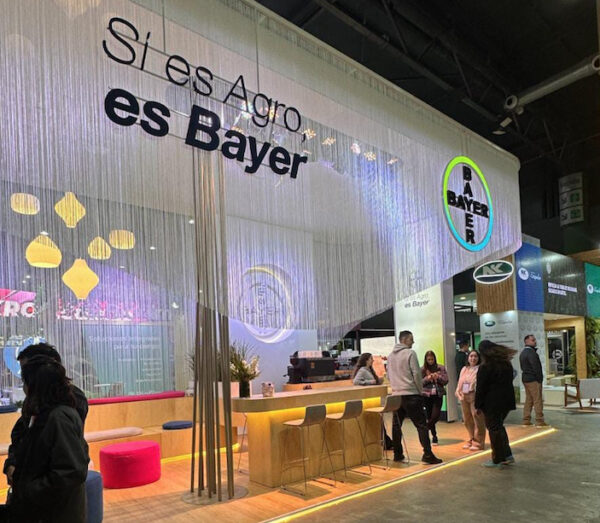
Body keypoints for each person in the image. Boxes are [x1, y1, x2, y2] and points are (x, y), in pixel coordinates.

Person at [1, 355, 89, 522]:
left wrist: (28, 489)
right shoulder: (40, 412)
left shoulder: (59, 418)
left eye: (25, 382)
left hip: (54, 514)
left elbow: (70, 471)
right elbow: (21, 444)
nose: (24, 388)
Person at [387, 331, 442, 465]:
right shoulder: (410, 353)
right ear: (405, 340)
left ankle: (397, 454)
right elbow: (416, 374)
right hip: (411, 394)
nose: (413, 342)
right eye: (411, 339)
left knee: (396, 426)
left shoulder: (390, 356)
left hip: (396, 395)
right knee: (421, 425)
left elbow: (388, 375)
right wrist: (419, 390)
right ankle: (427, 454)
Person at [475, 340, 516, 468]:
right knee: (499, 427)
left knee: (494, 429)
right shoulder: (506, 364)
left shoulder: (485, 367)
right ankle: (507, 455)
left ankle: (498, 458)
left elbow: (480, 388)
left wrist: (478, 405)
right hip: (506, 401)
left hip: (491, 403)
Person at [455, 350, 486, 450]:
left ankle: (478, 442)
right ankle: (471, 438)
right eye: (471, 356)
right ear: (468, 358)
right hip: (464, 396)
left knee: (477, 418)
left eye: (475, 356)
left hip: (475, 396)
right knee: (467, 419)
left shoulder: (480, 369)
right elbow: (460, 381)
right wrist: (458, 391)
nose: (473, 358)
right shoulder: (464, 369)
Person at [421, 351, 448, 445]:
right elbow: (419, 383)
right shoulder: (422, 369)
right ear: (426, 360)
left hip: (438, 394)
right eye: (428, 359)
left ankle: (426, 428)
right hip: (426, 395)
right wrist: (427, 378)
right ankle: (434, 436)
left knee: (435, 416)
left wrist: (438, 377)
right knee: (429, 415)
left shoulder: (441, 368)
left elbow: (446, 380)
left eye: (432, 359)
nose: (430, 361)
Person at [520, 334, 548, 427]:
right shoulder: (531, 353)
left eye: (535, 340)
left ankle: (526, 420)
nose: (535, 342)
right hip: (533, 379)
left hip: (525, 379)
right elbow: (536, 367)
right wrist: (540, 379)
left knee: (529, 399)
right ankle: (539, 421)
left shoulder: (523, 353)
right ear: (526, 341)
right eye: (533, 340)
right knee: (537, 400)